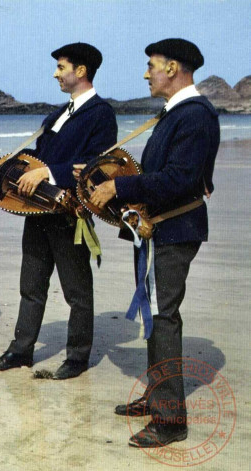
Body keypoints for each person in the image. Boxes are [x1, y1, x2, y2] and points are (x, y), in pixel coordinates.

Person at [89, 39, 218, 447]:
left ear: (173, 67)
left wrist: (118, 185)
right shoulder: (176, 113)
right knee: (153, 314)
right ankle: (156, 395)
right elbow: (160, 173)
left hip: (174, 230)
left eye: (151, 66)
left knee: (163, 318)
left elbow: (179, 180)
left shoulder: (194, 116)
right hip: (157, 229)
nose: (146, 74)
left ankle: (171, 421)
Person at [0, 43, 117, 379]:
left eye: (61, 67)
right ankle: (21, 351)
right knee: (31, 284)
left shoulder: (101, 114)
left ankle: (77, 358)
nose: (55, 73)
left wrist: (49, 174)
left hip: (70, 213)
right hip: (38, 211)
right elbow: (34, 157)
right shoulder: (55, 115)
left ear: (81, 71)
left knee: (76, 290)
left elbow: (98, 165)